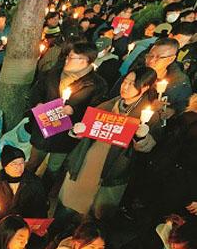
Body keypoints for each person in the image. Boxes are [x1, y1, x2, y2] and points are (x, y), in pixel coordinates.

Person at [58, 66, 160, 222]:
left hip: (114, 167)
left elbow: (147, 147)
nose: (125, 87)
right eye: (125, 81)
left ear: (145, 87)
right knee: (70, 202)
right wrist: (77, 131)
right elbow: (85, 132)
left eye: (132, 84)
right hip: (87, 161)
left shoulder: (148, 115)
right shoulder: (107, 105)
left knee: (96, 212)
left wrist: (141, 137)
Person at [26, 43, 108, 189]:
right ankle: (24, 188)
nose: (66, 60)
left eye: (71, 57)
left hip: (65, 136)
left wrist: (74, 110)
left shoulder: (97, 84)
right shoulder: (53, 73)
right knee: (32, 162)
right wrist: (38, 104)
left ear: (84, 61)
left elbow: (95, 112)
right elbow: (36, 91)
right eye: (68, 56)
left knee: (54, 168)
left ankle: (43, 192)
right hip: (43, 128)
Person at [0, 145, 47, 230]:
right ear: (5, 166)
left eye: (21, 163)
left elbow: (41, 209)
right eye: (13, 164)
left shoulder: (34, 182)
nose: (18, 167)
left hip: (23, 226)